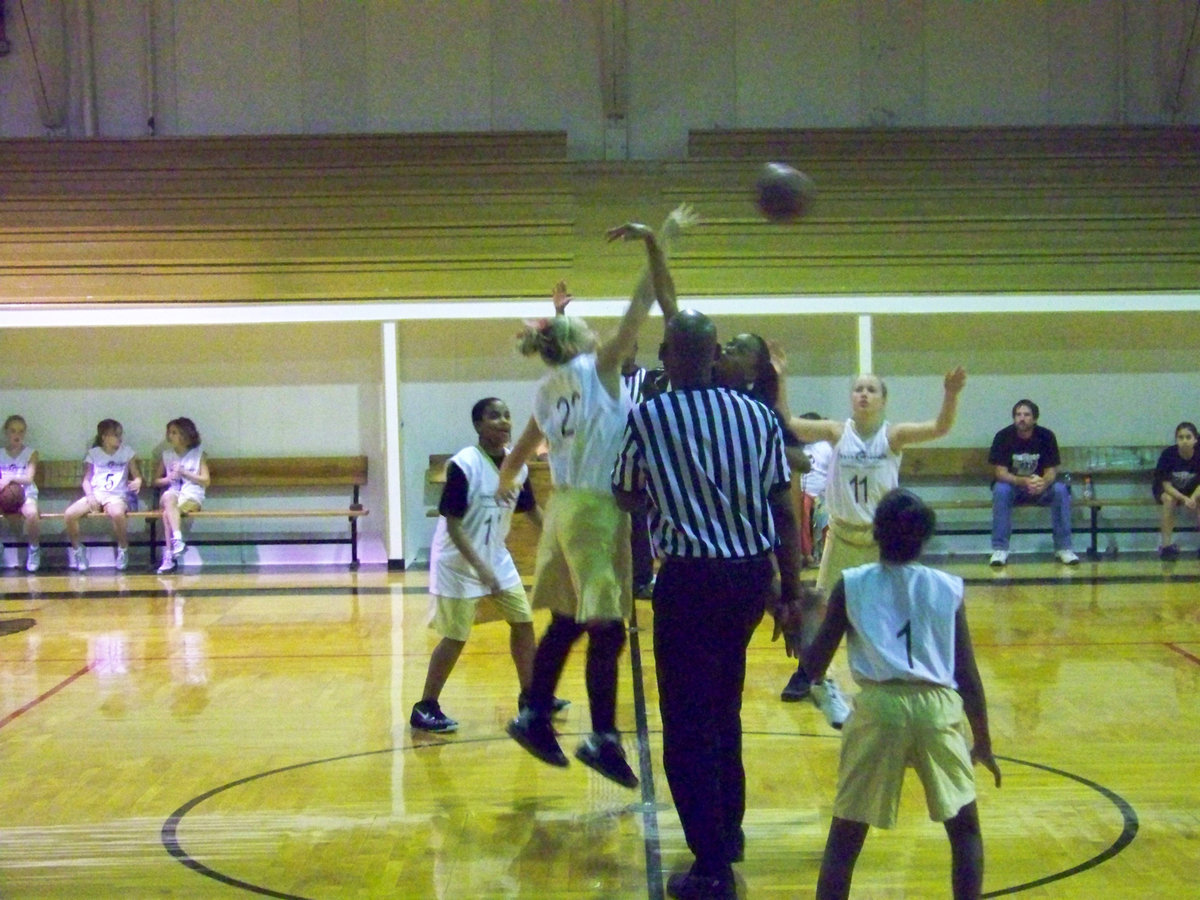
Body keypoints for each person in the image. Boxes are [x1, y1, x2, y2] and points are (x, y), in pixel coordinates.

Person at [612, 308, 805, 900]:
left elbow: (623, 492)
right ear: (715, 353)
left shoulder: (648, 416)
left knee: (687, 723)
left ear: (669, 356)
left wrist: (674, 496)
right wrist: (791, 593)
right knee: (725, 709)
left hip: (689, 581)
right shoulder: (757, 415)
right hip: (749, 578)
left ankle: (711, 864)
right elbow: (782, 506)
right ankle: (730, 830)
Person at [500, 206, 692, 789]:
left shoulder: (544, 387)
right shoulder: (600, 367)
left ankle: (535, 713)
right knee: (607, 628)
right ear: (581, 342)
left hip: (561, 508)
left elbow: (514, 462)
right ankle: (603, 738)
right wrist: (664, 238)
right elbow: (644, 303)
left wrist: (499, 491)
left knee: (566, 622)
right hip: (598, 512)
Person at [804, 488, 1001, 900]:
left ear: (875, 533)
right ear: (924, 536)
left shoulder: (851, 584)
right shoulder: (948, 587)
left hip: (878, 708)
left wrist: (802, 622)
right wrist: (982, 740)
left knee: (845, 837)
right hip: (937, 709)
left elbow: (814, 665)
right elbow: (967, 674)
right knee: (965, 831)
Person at [778, 366, 968, 724]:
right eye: (858, 389)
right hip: (843, 536)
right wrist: (783, 377)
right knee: (819, 611)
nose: (863, 394)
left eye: (871, 390)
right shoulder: (837, 432)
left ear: (883, 399)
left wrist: (951, 394)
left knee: (886, 613)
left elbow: (940, 427)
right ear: (852, 398)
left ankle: (898, 678)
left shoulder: (893, 436)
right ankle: (819, 680)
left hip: (881, 541)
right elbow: (789, 421)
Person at [410, 397, 550, 733]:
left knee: (523, 621)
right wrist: (481, 569)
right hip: (457, 561)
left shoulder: (518, 466)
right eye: (493, 416)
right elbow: (454, 526)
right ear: (478, 426)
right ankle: (425, 705)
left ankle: (531, 697)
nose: (503, 422)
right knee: (456, 637)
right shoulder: (464, 465)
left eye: (507, 415)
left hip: (495, 556)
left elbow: (530, 510)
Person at [987, 399, 1078, 567]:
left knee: (1060, 490)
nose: (1022, 418)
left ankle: (1064, 547)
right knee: (1000, 490)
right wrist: (1023, 481)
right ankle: (1000, 549)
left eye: (1026, 415)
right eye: (1018, 415)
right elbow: (1000, 473)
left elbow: (1051, 470)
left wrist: (1043, 483)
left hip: (1040, 488)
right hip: (1014, 488)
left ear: (1035, 419)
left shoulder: (1046, 436)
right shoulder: (1003, 437)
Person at [63, 419, 142, 572]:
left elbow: (137, 476)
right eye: (115, 435)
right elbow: (86, 480)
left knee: (117, 513)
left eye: (120, 434)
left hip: (117, 495)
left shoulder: (127, 452)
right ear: (104, 437)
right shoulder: (94, 454)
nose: (119, 438)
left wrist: (138, 482)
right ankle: (78, 550)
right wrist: (90, 496)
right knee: (69, 514)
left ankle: (123, 548)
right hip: (97, 493)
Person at [154, 417, 210, 574]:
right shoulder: (166, 455)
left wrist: (184, 472)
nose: (170, 436)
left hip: (192, 495)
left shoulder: (198, 454)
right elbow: (156, 481)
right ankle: (177, 542)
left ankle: (169, 555)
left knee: (167, 513)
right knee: (167, 497)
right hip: (174, 493)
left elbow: (206, 481)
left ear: (185, 435)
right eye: (169, 432)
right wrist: (168, 478)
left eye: (175, 433)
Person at [1152, 421, 1200, 560]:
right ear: (1176, 440)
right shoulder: (1168, 455)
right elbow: (1166, 486)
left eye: (1188, 437)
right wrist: (1184, 499)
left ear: (1195, 439)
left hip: (1192, 488)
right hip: (1170, 489)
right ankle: (1166, 546)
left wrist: (1193, 497)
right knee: (1169, 499)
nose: (1184, 441)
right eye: (1181, 437)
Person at [0, 414, 42, 572]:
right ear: (6, 432)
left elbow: (29, 478)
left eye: (21, 431)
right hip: (4, 496)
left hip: (25, 494)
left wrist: (10, 478)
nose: (17, 435)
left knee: (32, 513)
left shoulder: (31, 453)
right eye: (13, 431)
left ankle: (34, 549)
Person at [798, 412, 833, 568]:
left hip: (823, 494)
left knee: (826, 514)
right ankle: (806, 553)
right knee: (802, 511)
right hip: (802, 494)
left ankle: (826, 553)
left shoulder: (825, 447)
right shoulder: (798, 448)